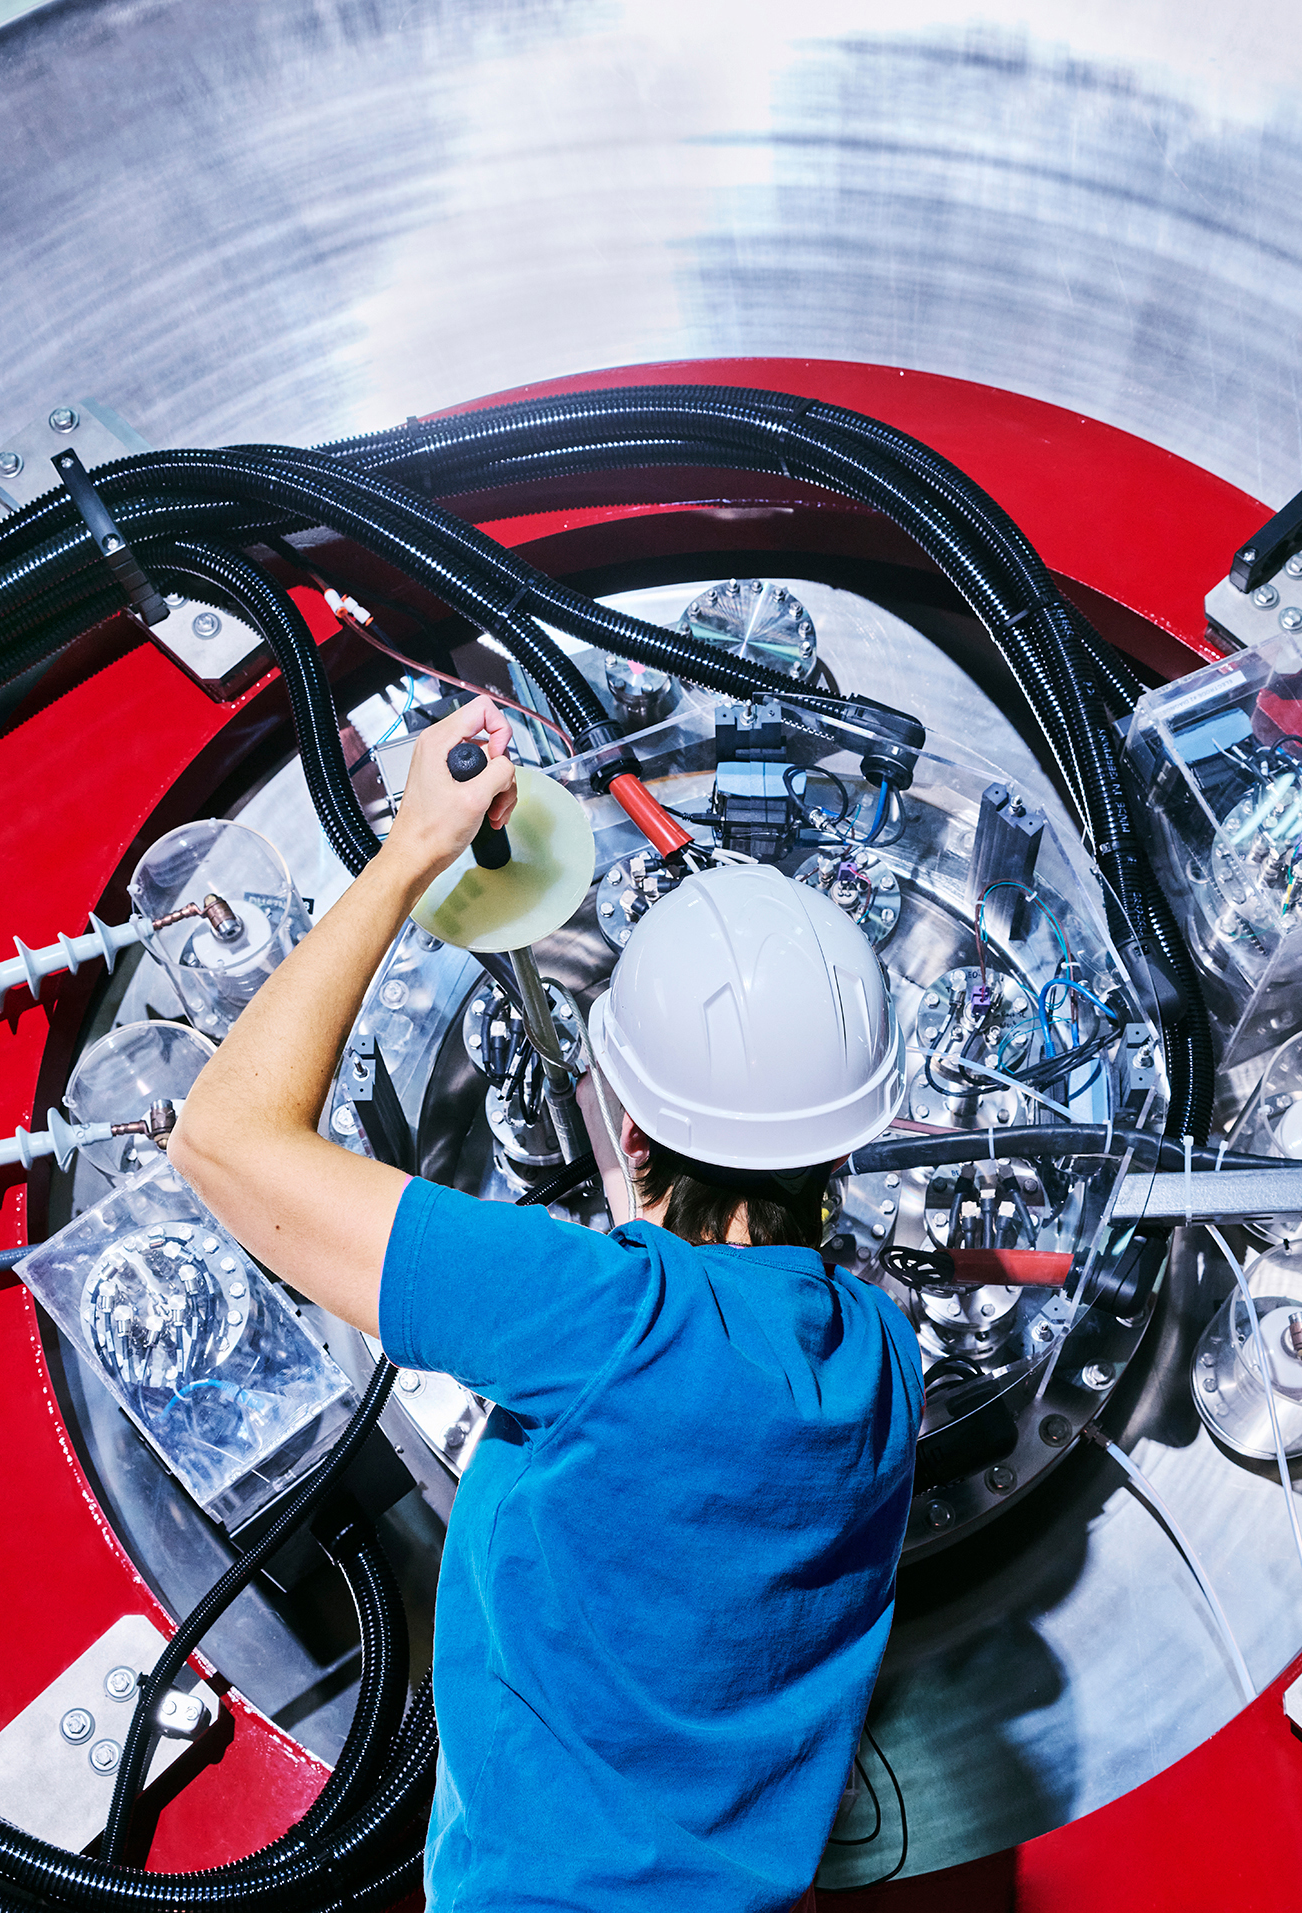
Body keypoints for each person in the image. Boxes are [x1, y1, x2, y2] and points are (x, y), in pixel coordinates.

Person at [171, 696, 923, 1911]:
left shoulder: (603, 1322)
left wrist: (411, 845)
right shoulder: (887, 1361)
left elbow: (222, 1136)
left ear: (625, 1118)